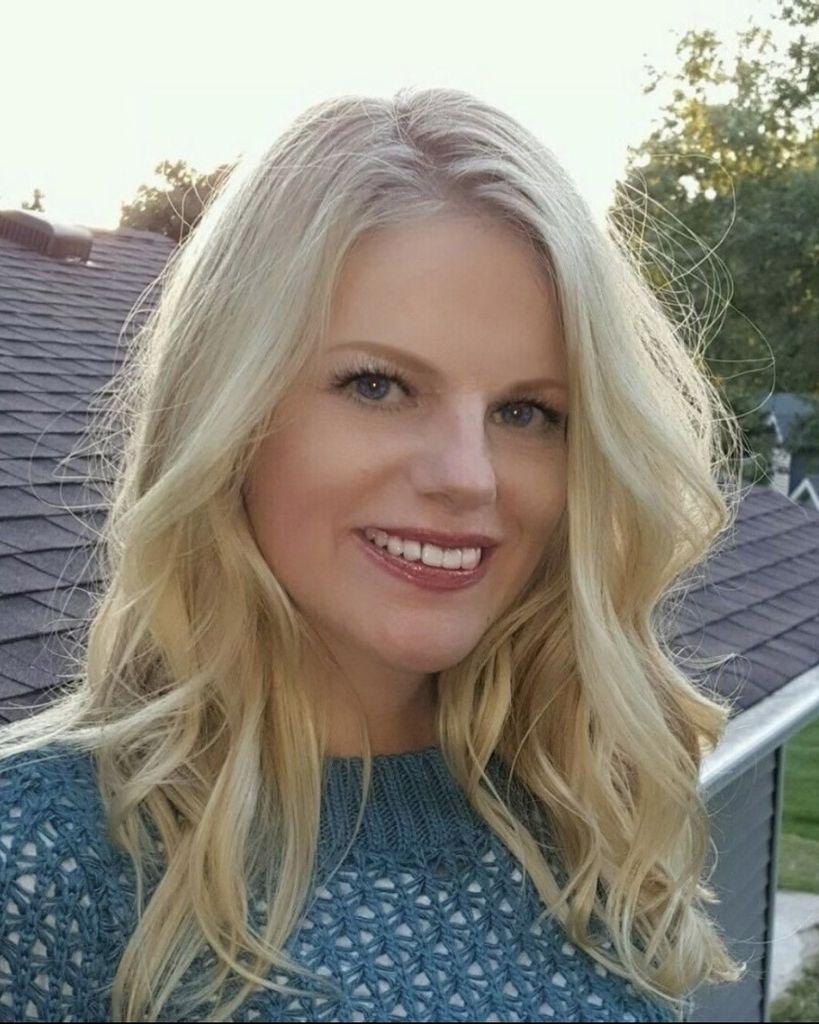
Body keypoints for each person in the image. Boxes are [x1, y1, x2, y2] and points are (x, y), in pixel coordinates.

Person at [0, 87, 746, 1022]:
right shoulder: (43, 862)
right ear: (228, 412)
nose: (468, 476)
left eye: (526, 412)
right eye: (379, 386)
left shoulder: (581, 806)